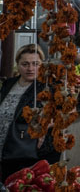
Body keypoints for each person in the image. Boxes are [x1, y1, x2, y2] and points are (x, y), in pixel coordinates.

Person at [0, 45, 60, 181]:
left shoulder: (49, 86)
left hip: (32, 150)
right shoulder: (9, 84)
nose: (30, 68)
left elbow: (67, 113)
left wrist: (46, 125)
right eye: (25, 64)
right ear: (18, 65)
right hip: (6, 147)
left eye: (35, 64)